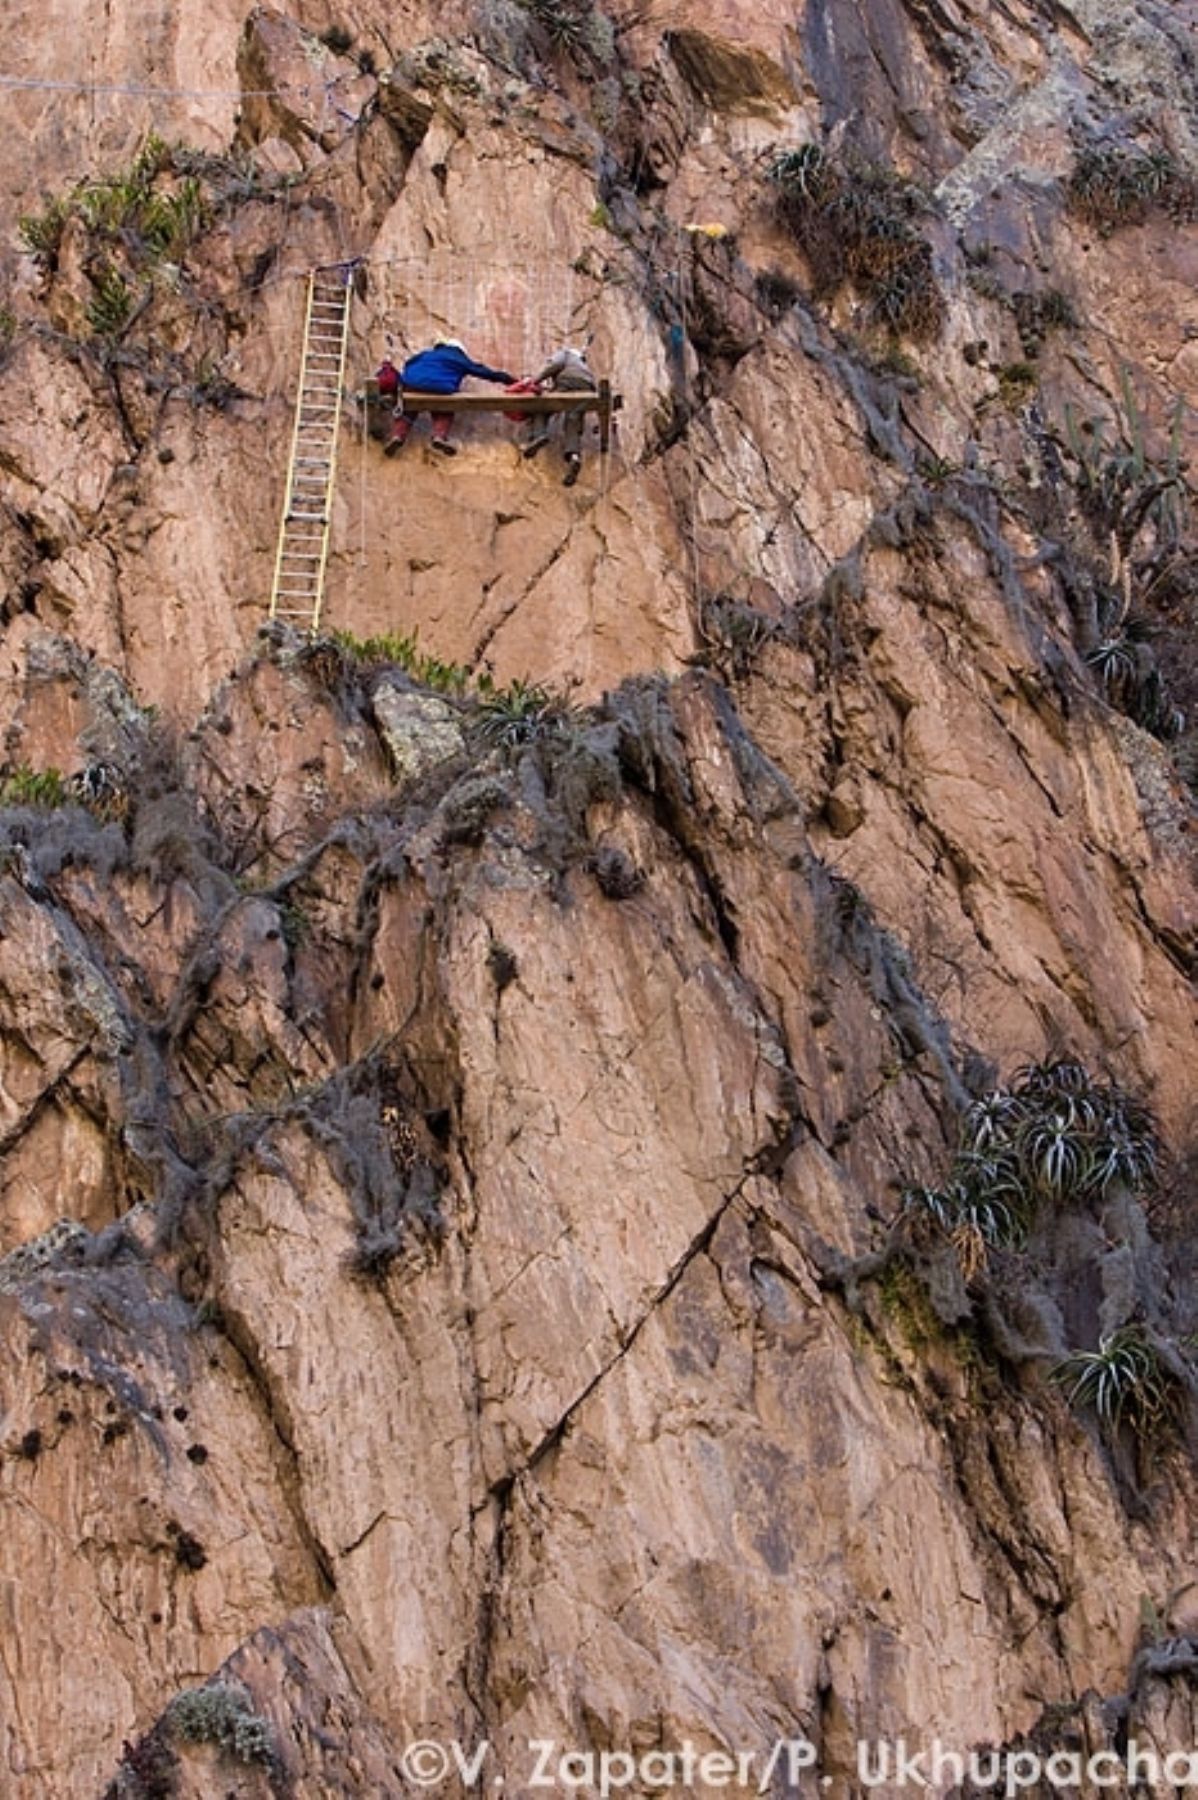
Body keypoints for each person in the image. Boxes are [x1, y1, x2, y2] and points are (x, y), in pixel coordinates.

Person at [385, 338, 517, 458]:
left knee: (408, 408)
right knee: (444, 408)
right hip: (439, 388)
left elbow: (408, 363)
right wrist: (510, 380)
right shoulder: (459, 358)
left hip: (411, 385)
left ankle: (398, 436)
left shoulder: (427, 354)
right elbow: (485, 372)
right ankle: (439, 437)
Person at [522, 345, 596, 486]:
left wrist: (535, 381)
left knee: (542, 408)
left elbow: (554, 365)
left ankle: (539, 435)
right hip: (588, 387)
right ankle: (574, 456)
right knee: (573, 420)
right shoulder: (584, 367)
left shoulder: (566, 354)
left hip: (567, 381)